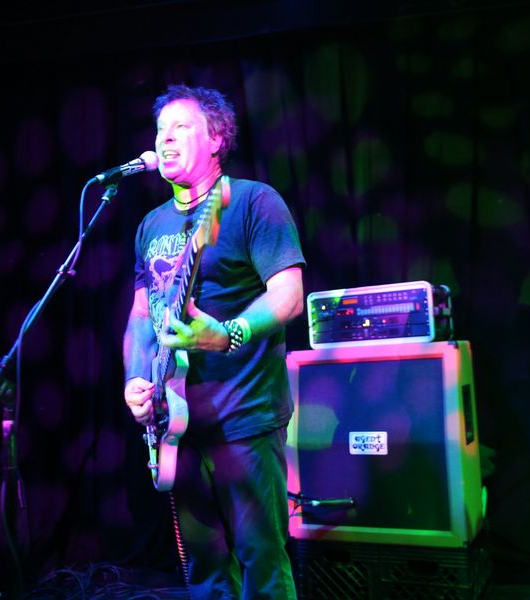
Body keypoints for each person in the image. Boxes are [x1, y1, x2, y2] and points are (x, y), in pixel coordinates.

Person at [123, 84, 305, 599]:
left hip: (244, 415)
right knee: (204, 572)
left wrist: (228, 333)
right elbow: (141, 316)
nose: (165, 138)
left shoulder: (250, 201)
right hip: (176, 424)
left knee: (261, 563)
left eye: (181, 127)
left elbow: (289, 295)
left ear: (217, 138)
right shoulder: (151, 225)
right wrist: (135, 379)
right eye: (161, 129)